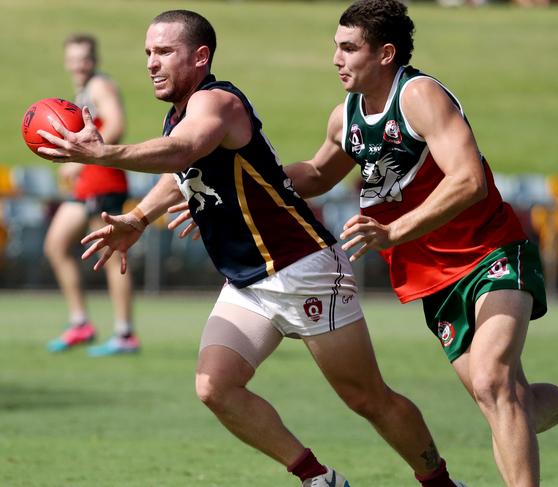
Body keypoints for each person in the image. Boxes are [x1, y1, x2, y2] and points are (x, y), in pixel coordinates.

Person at [37, 10, 467, 487]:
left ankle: (440, 483)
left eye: (163, 52)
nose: (151, 64)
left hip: (303, 267)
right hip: (248, 281)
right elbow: (180, 170)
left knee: (367, 399)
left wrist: (103, 154)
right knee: (215, 386)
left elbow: (182, 151)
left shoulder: (217, 103)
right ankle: (319, 478)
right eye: (147, 54)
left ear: (200, 57)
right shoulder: (179, 114)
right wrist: (138, 218)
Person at [281, 1, 558, 486]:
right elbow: (319, 173)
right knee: (510, 405)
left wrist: (394, 232)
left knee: (494, 383)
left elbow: (468, 180)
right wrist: (249, 178)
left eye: (348, 48)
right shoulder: (345, 119)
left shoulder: (420, 96)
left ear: (385, 54)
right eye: (335, 48)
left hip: (490, 253)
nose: (336, 59)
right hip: (435, 281)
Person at [44, 33, 139, 357]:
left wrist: (83, 157)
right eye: (73, 58)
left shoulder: (100, 85)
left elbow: (116, 123)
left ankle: (125, 334)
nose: (78, 64)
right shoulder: (83, 89)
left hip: (104, 182)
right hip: (88, 184)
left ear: (94, 60)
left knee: (110, 257)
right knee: (56, 245)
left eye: (84, 58)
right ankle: (80, 323)